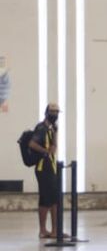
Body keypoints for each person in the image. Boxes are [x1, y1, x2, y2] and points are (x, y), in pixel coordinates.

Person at [28, 103, 61, 240]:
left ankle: (55, 230)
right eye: (53, 112)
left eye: (57, 112)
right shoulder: (41, 128)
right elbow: (32, 143)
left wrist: (54, 137)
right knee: (45, 198)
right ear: (47, 112)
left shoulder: (52, 128)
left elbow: (54, 146)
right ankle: (42, 230)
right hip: (43, 167)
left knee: (54, 198)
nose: (55, 115)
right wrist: (46, 152)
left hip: (52, 166)